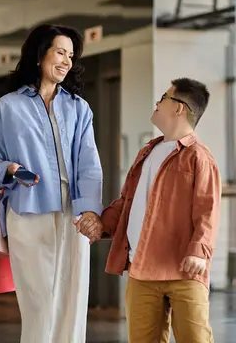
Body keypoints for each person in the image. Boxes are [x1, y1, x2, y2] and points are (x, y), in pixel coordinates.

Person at [0, 24, 103, 343]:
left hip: (72, 213)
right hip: (27, 210)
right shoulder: (8, 106)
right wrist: (11, 170)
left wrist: (90, 212)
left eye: (71, 55)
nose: (66, 61)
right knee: (38, 303)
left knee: (72, 300)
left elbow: (90, 164)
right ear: (40, 54)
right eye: (60, 52)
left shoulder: (79, 108)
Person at [76, 78, 222, 343]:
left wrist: (199, 252)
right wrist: (100, 224)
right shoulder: (148, 151)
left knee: (195, 338)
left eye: (164, 97)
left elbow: (207, 210)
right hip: (140, 270)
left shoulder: (199, 157)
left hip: (184, 271)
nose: (158, 102)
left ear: (179, 108)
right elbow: (126, 203)